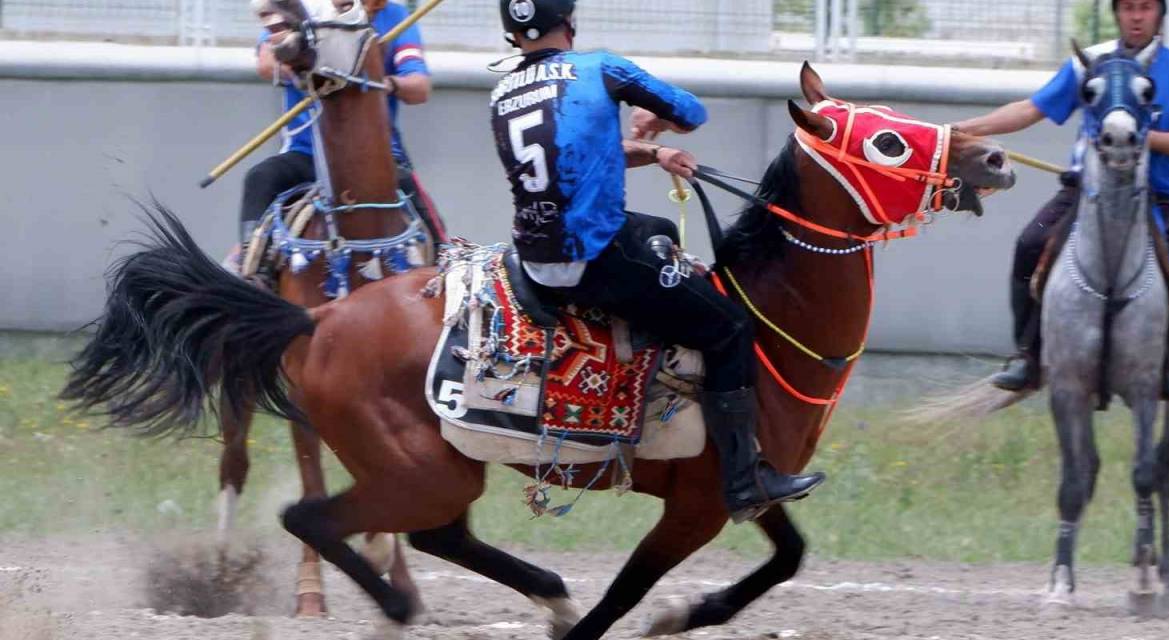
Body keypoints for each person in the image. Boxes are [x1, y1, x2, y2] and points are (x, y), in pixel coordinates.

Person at [489, 0, 824, 523]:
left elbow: (577, 150)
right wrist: (657, 120)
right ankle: (745, 481)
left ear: (513, 37)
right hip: (598, 257)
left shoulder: (503, 92)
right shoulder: (599, 67)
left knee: (661, 230)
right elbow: (692, 112)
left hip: (536, 260)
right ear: (569, 24)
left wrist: (651, 154)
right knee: (730, 326)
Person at [953, 0, 1169, 404]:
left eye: (1146, 8)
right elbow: (1030, 109)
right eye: (1128, 7)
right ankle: (1028, 355)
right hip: (1085, 192)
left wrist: (1132, 135)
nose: (1136, 16)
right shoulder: (1089, 62)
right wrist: (962, 129)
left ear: (1160, 14)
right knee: (1029, 246)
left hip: (1157, 198)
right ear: (1117, 13)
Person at [231, 0, 446, 268]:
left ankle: (442, 265)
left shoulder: (394, 15)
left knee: (419, 202)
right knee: (260, 178)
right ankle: (251, 270)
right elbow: (266, 62)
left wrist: (383, 82)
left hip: (376, 158)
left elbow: (420, 88)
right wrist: (313, 69)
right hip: (306, 154)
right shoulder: (302, 7)